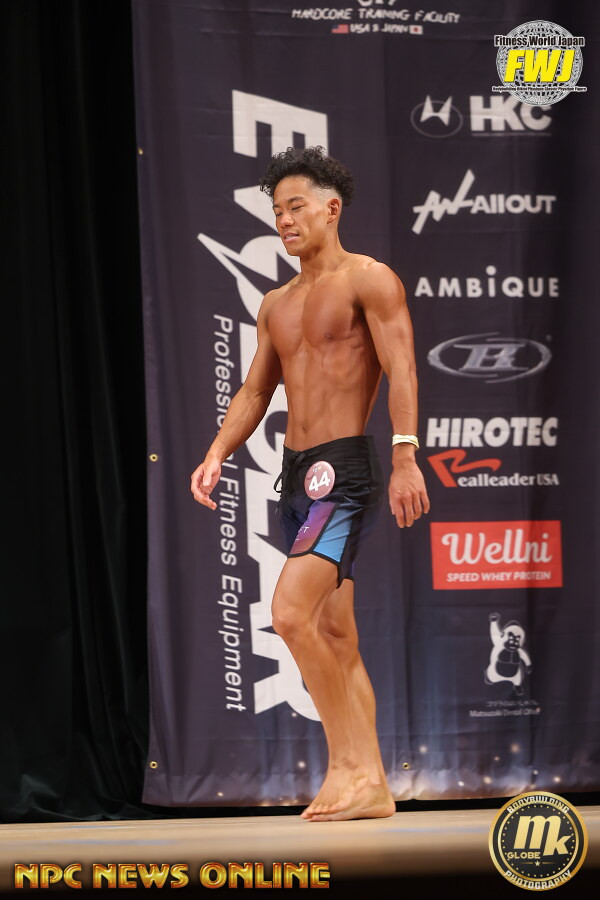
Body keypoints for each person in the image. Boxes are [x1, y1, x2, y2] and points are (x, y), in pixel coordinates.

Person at [191, 146, 430, 822]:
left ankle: (348, 767)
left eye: (296, 207)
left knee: (291, 615)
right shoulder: (276, 303)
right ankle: (374, 784)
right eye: (277, 211)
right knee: (334, 633)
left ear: (332, 208)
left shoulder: (369, 280)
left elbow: (403, 367)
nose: (285, 220)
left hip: (343, 473)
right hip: (294, 478)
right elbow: (254, 391)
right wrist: (217, 451)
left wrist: (406, 456)